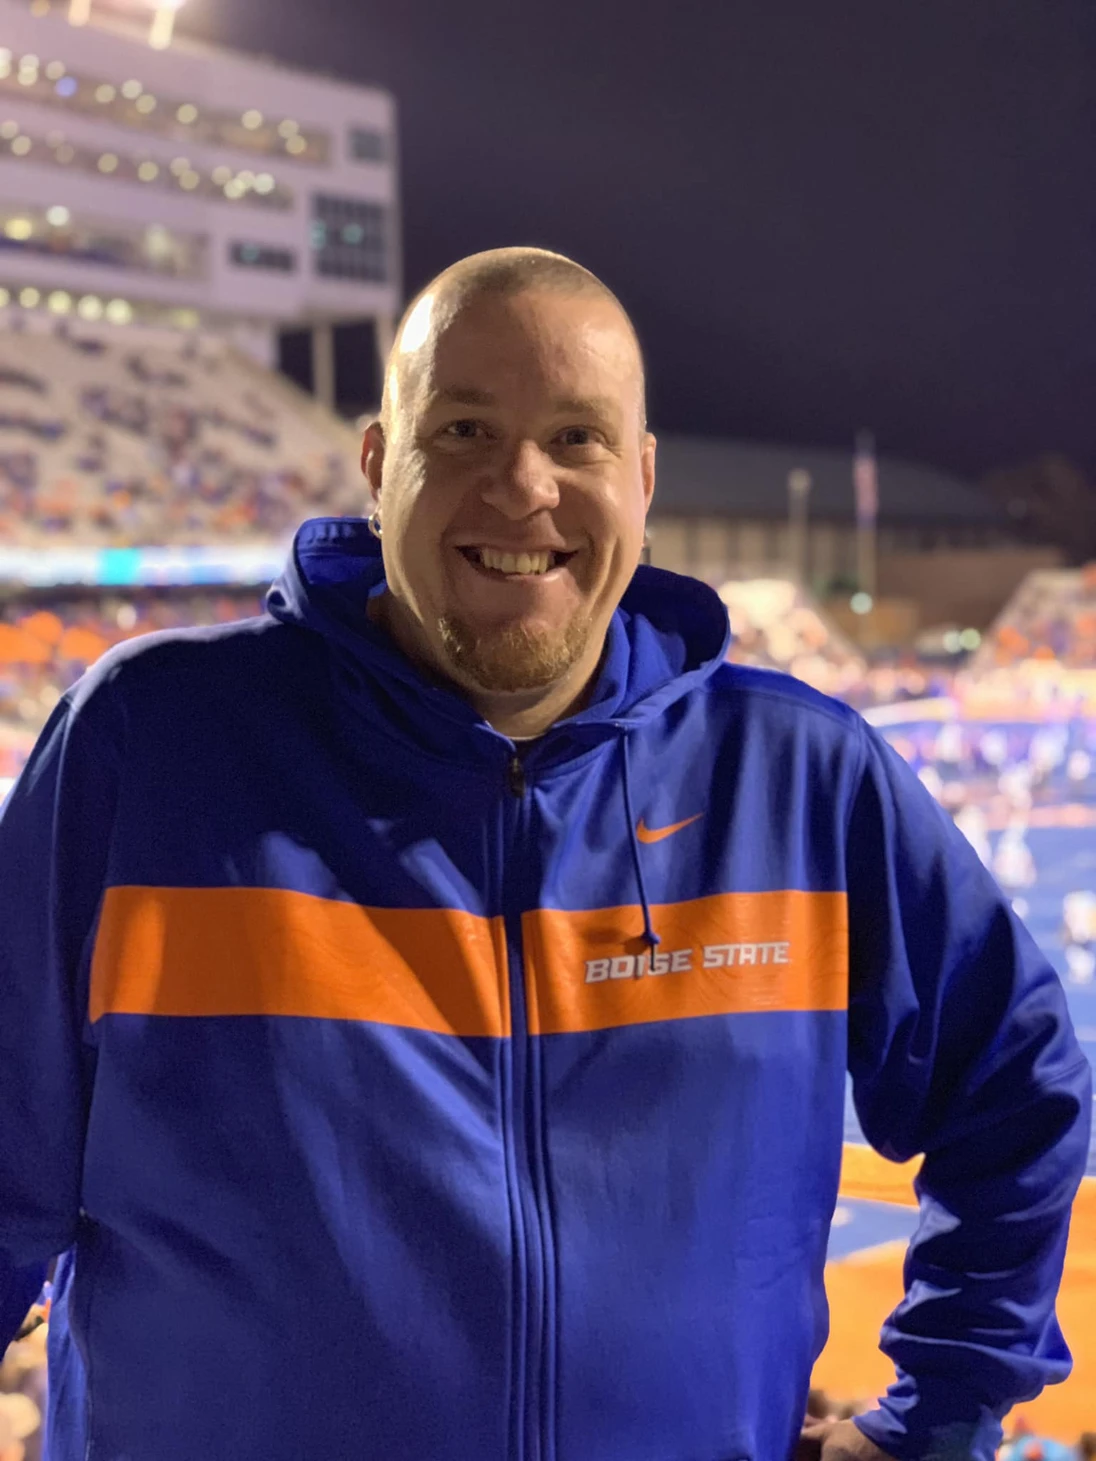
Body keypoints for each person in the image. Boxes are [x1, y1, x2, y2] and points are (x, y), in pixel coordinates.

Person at [0, 247, 1090, 1461]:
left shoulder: (800, 778)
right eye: (463, 429)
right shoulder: (154, 746)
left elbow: (1019, 1088)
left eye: (576, 438)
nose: (522, 486)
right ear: (378, 464)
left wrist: (930, 1422)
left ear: (640, 476)